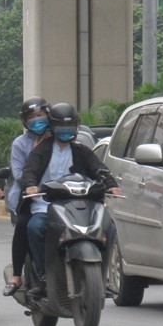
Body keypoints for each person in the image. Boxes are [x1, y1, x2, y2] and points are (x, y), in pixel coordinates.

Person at [20, 102, 120, 297]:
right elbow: (29, 170)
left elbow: (99, 168)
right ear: (52, 127)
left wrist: (111, 184)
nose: (66, 131)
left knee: (110, 227)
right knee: (35, 228)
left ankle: (102, 277)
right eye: (61, 127)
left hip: (80, 204)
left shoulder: (82, 150)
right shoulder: (41, 150)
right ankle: (43, 277)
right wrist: (30, 185)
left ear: (76, 127)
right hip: (47, 204)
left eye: (70, 127)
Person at [3, 97, 53, 297]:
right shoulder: (20, 144)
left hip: (59, 194)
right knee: (25, 224)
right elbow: (19, 174)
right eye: (31, 117)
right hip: (29, 195)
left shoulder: (60, 139)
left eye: (40, 115)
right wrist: (31, 185)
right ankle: (17, 276)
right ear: (25, 120)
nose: (37, 120)